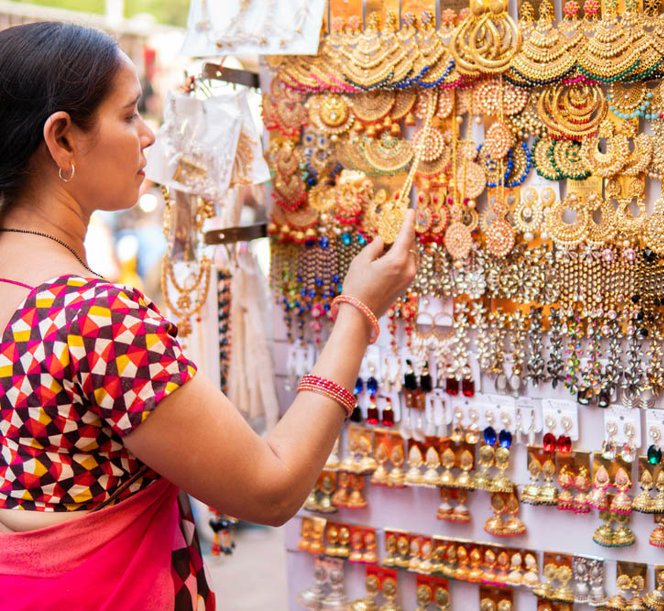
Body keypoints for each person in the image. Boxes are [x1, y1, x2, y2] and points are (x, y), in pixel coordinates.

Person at [0, 21, 417, 610]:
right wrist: (358, 311)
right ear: (63, 140)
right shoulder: (92, 319)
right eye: (128, 114)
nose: (148, 135)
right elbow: (270, 491)